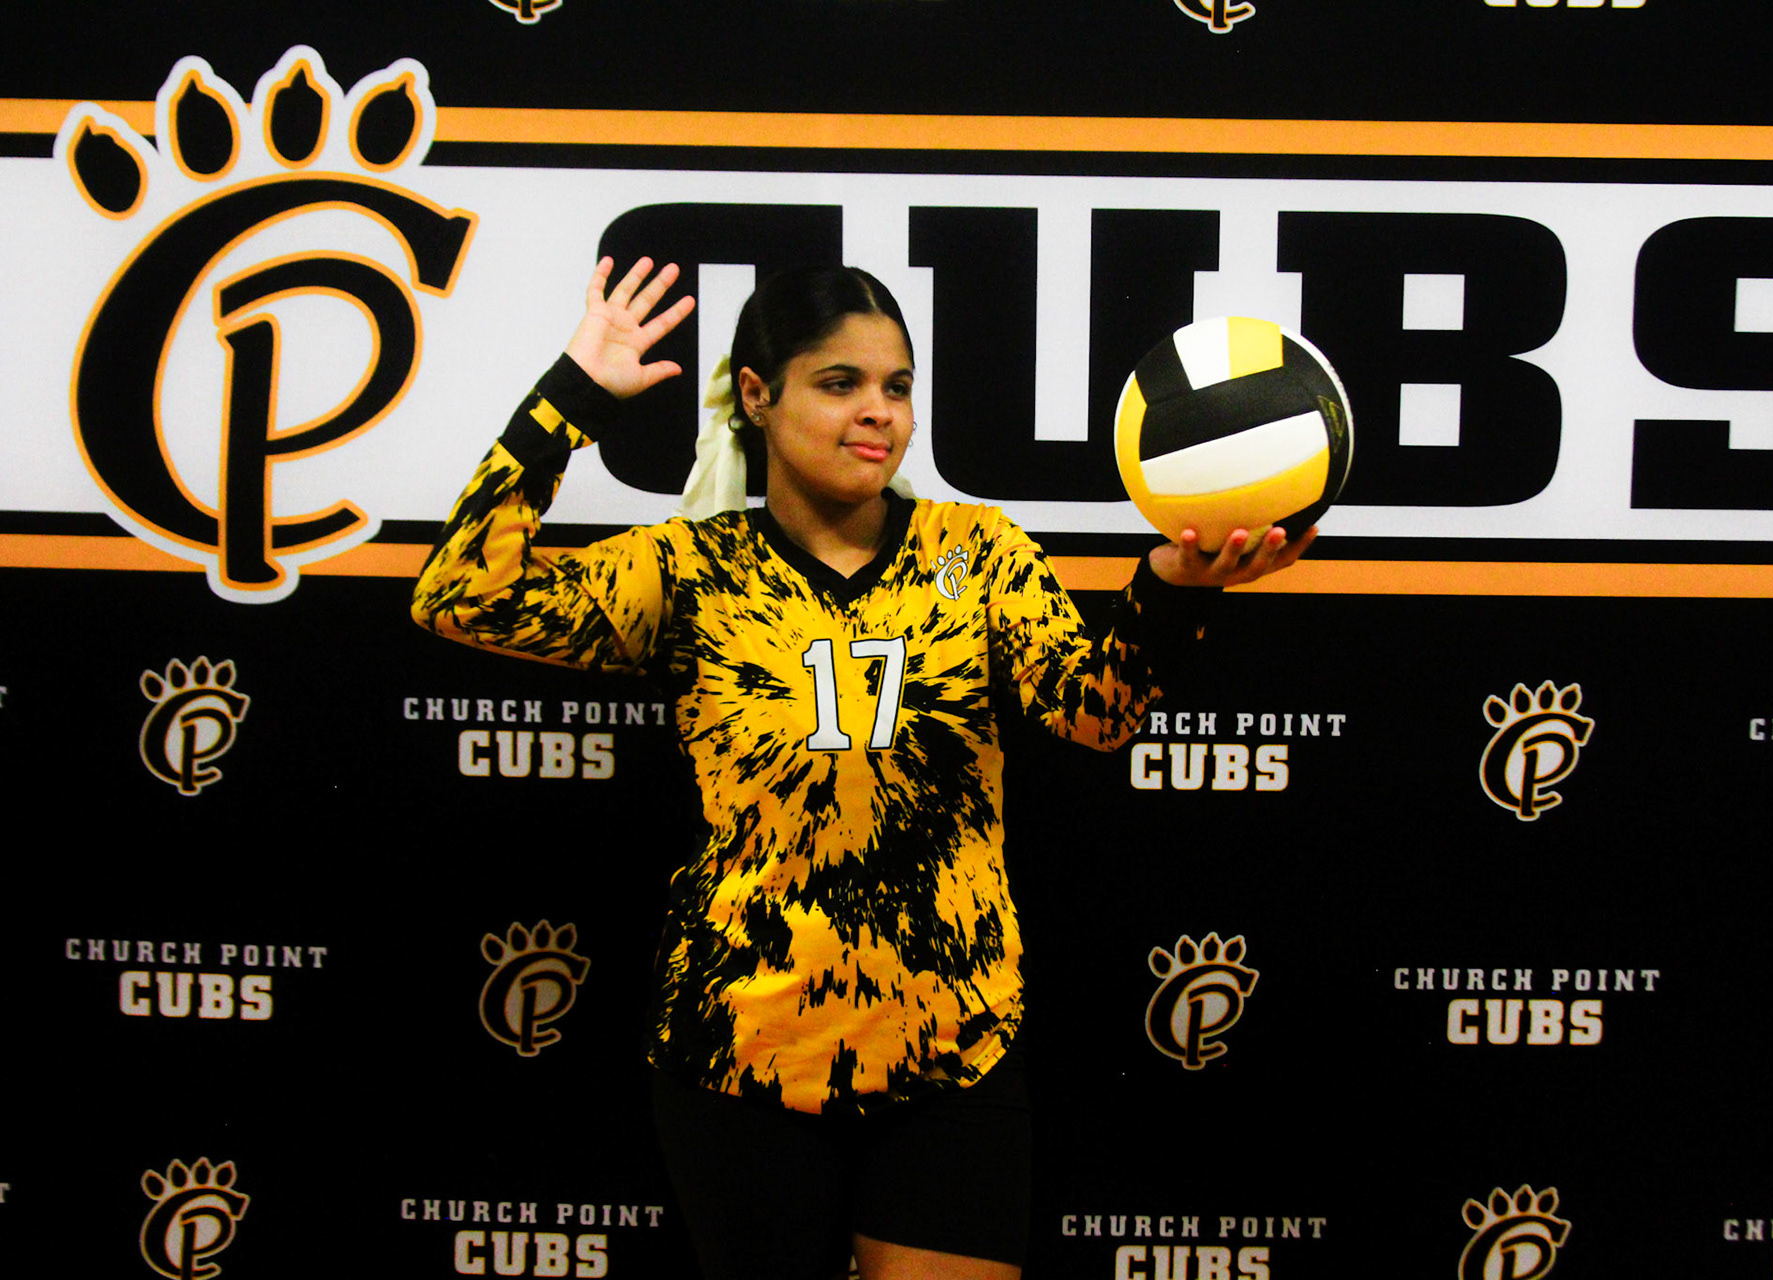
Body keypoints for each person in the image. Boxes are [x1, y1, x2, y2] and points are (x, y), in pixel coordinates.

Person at [411, 255, 1314, 1280]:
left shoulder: (977, 552)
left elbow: (1092, 714)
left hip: (954, 1055)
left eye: (897, 386)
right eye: (839, 383)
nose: (878, 411)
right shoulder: (691, 569)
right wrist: (570, 399)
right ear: (758, 394)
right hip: (740, 1058)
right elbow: (459, 595)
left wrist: (1176, 586)